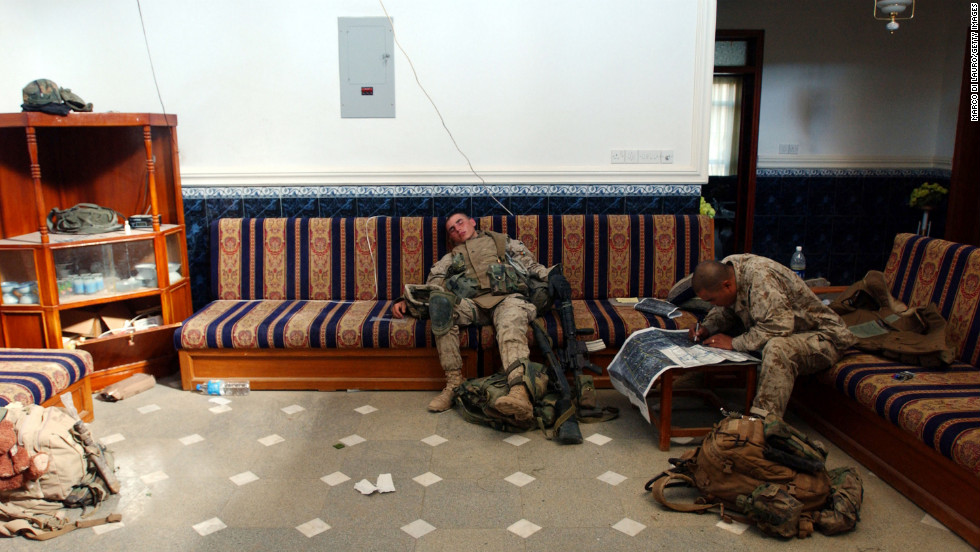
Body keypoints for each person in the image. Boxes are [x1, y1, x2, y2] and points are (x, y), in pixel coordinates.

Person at [392, 213, 552, 418]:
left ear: (472, 222)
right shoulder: (450, 258)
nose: (457, 228)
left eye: (460, 222)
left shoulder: (501, 241)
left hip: (508, 298)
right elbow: (434, 286)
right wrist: (405, 300)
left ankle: (518, 391)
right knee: (441, 305)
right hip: (473, 305)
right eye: (451, 228)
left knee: (510, 324)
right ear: (450, 238)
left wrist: (552, 276)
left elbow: (530, 265)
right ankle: (454, 384)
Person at [688, 255, 857, 419]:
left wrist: (734, 343)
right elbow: (727, 308)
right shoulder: (728, 270)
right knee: (730, 338)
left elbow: (779, 326)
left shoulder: (761, 279)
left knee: (778, 348)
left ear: (727, 286)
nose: (712, 304)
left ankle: (763, 425)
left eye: (712, 300)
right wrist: (707, 328)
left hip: (825, 336)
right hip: (791, 332)